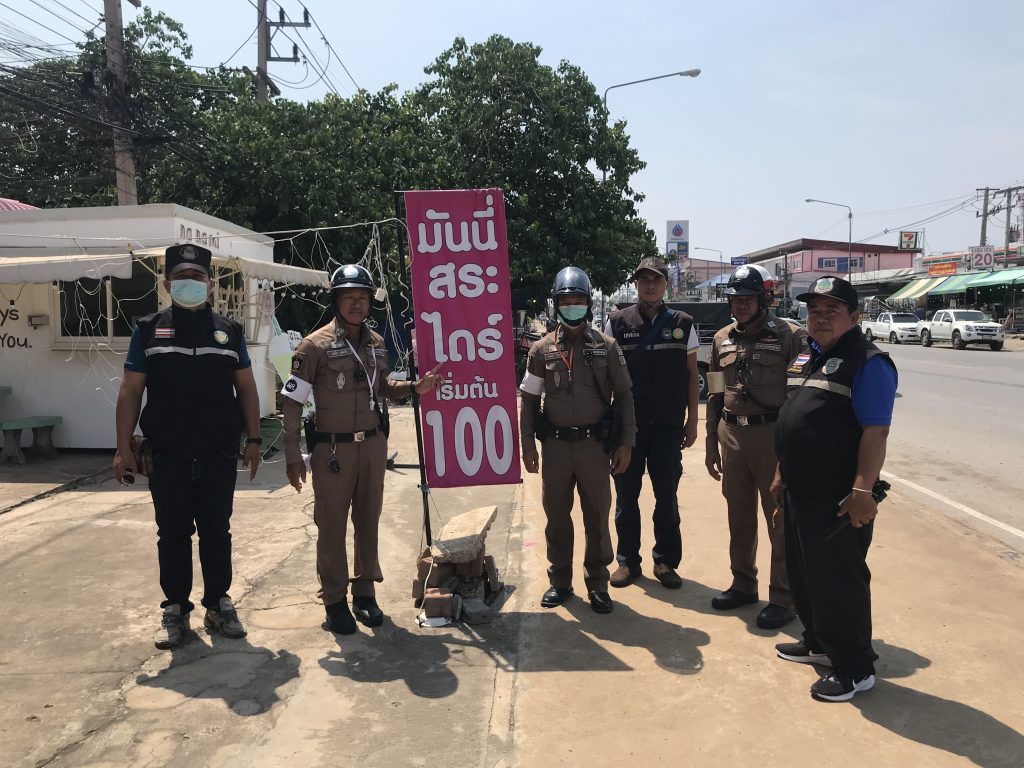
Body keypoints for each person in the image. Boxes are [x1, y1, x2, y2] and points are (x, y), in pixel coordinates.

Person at [113, 243, 262, 650]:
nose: (189, 282)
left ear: (210, 284)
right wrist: (123, 447)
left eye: (197, 276)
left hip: (218, 452)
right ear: (167, 284)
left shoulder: (229, 331)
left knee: (217, 531)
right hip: (167, 454)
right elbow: (130, 390)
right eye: (181, 276)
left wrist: (253, 439)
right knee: (173, 534)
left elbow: (246, 388)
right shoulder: (148, 330)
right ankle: (176, 609)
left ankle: (218, 604)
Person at [280, 264, 442, 635]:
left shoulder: (376, 343)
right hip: (332, 451)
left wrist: (415, 388)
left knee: (368, 521)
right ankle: (335, 600)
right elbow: (292, 402)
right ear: (335, 300)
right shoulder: (313, 346)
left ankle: (365, 592)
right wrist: (291, 454)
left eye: (363, 297)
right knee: (331, 526)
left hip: (371, 445)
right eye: (348, 297)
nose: (356, 303)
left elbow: (381, 387)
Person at [771, 276, 897, 702]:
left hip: (837, 497)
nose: (821, 318)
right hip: (800, 488)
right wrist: (781, 473)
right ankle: (819, 643)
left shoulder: (868, 361)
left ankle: (855, 668)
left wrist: (862, 491)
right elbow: (796, 416)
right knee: (805, 575)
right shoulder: (810, 354)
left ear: (854, 317)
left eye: (832, 311)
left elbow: (876, 433)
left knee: (839, 580)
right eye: (814, 310)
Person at [519, 266, 636, 614]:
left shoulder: (606, 347)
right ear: (556, 304)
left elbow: (625, 397)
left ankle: (597, 583)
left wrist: (626, 442)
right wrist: (528, 445)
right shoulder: (541, 350)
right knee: (556, 517)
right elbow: (528, 400)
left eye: (578, 300)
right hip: (554, 447)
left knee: (597, 516)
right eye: (566, 301)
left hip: (594, 447)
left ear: (588, 303)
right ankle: (560, 581)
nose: (572, 306)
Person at [705, 264, 808, 629]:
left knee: (778, 520)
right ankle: (743, 584)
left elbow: (800, 397)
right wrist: (711, 442)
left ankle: (783, 598)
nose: (742, 305)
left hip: (772, 439)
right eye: (736, 299)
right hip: (732, 436)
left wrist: (791, 450)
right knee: (739, 517)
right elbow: (715, 392)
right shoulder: (721, 339)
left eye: (749, 298)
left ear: (765, 299)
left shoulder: (790, 337)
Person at [605, 256, 699, 589]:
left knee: (667, 498)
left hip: (668, 427)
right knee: (626, 498)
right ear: (636, 284)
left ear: (666, 285)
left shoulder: (683, 322)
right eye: (644, 280)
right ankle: (628, 562)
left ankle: (665, 561)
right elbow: (606, 377)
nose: (650, 286)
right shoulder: (617, 322)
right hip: (627, 430)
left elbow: (692, 374)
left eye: (656, 280)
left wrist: (693, 420)